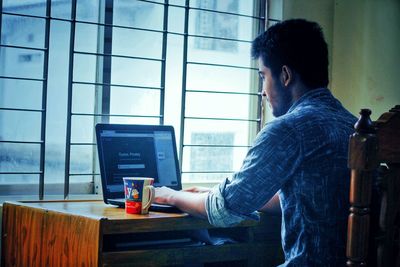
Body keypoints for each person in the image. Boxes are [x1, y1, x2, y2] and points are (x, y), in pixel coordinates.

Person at [155, 19, 357, 266]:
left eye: (263, 76)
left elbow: (223, 210)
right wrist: (212, 193)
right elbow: (310, 198)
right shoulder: (351, 124)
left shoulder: (289, 130)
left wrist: (169, 196)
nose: (262, 91)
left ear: (285, 75)